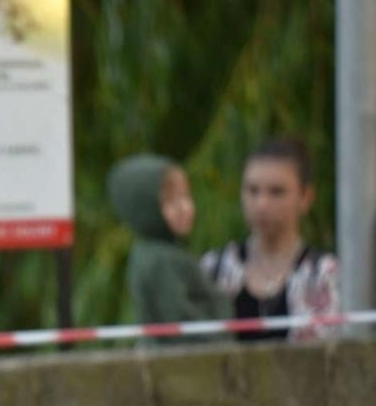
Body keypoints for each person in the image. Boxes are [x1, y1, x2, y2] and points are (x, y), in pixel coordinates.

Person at [200, 138, 341, 341]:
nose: (261, 204)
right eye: (252, 190)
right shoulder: (214, 269)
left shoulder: (325, 275)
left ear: (306, 198)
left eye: (277, 192)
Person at [108, 153, 230, 330]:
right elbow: (179, 319)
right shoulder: (159, 260)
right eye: (170, 201)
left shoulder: (166, 252)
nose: (184, 208)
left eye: (186, 196)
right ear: (144, 207)